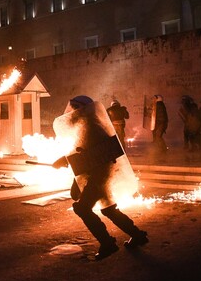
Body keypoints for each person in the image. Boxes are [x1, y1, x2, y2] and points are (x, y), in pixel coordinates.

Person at [52, 95, 148, 261]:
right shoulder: (85, 125)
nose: (73, 111)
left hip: (100, 173)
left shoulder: (92, 126)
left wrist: (66, 160)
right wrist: (68, 161)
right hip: (95, 172)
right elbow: (80, 151)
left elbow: (96, 154)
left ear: (85, 109)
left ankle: (108, 243)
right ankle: (138, 235)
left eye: (76, 107)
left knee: (82, 208)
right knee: (108, 209)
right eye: (72, 107)